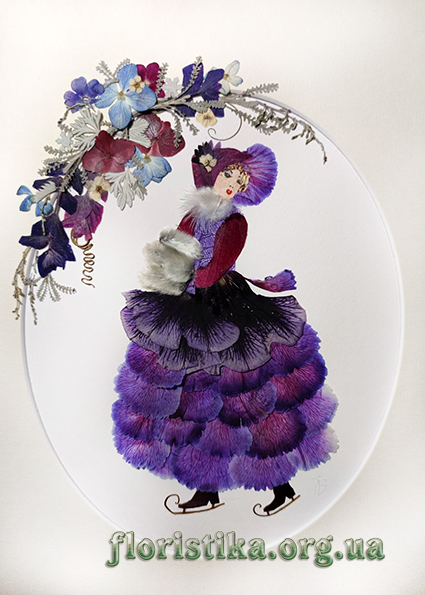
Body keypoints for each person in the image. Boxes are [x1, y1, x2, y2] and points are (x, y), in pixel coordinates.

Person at [112, 141, 338, 515]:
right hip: (187, 299)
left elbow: (216, 267)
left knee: (249, 394)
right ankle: (207, 488)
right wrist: (168, 269)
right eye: (229, 175)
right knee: (192, 398)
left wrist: (188, 278)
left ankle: (280, 486)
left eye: (240, 181)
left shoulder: (235, 222)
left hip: (223, 301)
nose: (233, 185)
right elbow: (177, 251)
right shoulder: (192, 217)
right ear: (212, 174)